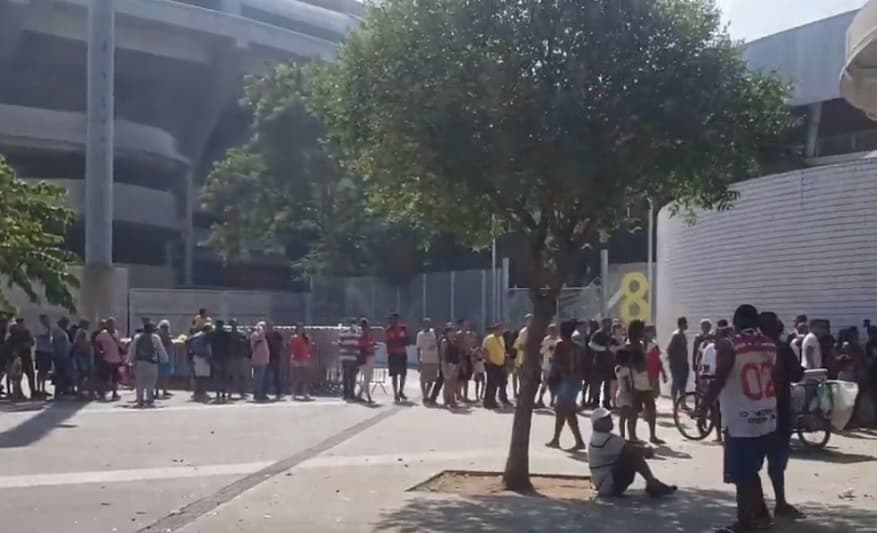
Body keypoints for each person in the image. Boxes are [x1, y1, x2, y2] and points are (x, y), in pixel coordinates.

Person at [700, 304, 778, 533]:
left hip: (740, 419)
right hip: (766, 415)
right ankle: (753, 519)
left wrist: (704, 406)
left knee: (742, 474)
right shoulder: (769, 344)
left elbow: (720, 378)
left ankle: (752, 521)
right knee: (750, 472)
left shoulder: (729, 345)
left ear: (737, 321)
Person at [760, 312, 805, 520]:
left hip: (756, 411)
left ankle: (755, 506)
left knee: (753, 461)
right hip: (779, 410)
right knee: (777, 460)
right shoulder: (783, 349)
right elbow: (797, 374)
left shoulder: (753, 349)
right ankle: (780, 502)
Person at [588, 407, 677, 498]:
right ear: (597, 424)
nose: (610, 421)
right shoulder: (606, 439)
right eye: (606, 419)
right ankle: (653, 484)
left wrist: (641, 447)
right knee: (633, 454)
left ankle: (652, 483)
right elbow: (630, 449)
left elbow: (625, 443)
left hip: (604, 482)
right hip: (608, 485)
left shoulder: (599, 436)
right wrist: (646, 451)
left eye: (609, 418)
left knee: (632, 453)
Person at [546, 320, 586, 450]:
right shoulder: (578, 346)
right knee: (567, 411)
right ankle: (560, 439)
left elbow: (556, 365)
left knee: (563, 410)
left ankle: (564, 440)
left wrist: (551, 379)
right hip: (575, 381)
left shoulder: (561, 345)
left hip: (565, 380)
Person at [131, 322, 167, 408]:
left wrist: (130, 360)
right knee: (151, 381)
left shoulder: (137, 337)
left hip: (140, 362)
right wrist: (164, 359)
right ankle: (149, 398)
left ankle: (140, 400)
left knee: (140, 382)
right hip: (152, 362)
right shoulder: (155, 337)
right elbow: (161, 349)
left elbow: (132, 349)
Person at [641, 324, 666, 444]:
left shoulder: (654, 345)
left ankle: (652, 433)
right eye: (651, 332)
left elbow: (658, 360)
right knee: (650, 406)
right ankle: (650, 434)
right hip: (645, 378)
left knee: (652, 404)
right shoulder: (642, 345)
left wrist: (663, 373)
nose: (653, 333)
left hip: (654, 377)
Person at [588, 318, 617, 409]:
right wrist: (604, 349)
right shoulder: (598, 334)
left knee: (607, 385)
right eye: (606, 323)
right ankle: (595, 402)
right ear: (603, 324)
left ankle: (606, 402)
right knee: (597, 383)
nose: (608, 325)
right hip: (599, 363)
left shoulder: (612, 335)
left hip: (610, 363)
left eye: (610, 323)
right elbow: (591, 344)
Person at [95, 317, 125, 401]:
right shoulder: (103, 333)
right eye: (110, 323)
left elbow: (119, 344)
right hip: (107, 359)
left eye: (112, 323)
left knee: (115, 378)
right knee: (105, 377)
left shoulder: (116, 332)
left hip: (116, 358)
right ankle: (103, 393)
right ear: (107, 325)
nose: (111, 325)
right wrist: (100, 351)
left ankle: (114, 393)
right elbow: (96, 342)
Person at [482, 323, 510, 408]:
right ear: (496, 330)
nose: (502, 331)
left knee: (497, 383)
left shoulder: (501, 338)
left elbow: (502, 350)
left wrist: (505, 358)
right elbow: (485, 351)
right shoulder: (489, 339)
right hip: (491, 364)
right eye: (501, 329)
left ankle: (493, 400)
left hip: (500, 364)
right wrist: (489, 362)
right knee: (491, 383)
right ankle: (488, 402)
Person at [385, 314, 409, 402]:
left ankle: (401, 391)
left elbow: (406, 340)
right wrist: (399, 341)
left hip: (402, 353)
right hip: (393, 354)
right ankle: (395, 393)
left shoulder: (403, 328)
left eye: (395, 319)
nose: (393, 321)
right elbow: (390, 341)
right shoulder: (388, 330)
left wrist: (399, 341)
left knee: (403, 374)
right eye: (391, 319)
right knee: (394, 375)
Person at [667, 316, 689, 405]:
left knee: (683, 383)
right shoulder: (676, 335)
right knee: (676, 382)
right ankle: (674, 402)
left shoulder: (683, 335)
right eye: (685, 323)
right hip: (677, 364)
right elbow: (669, 349)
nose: (687, 325)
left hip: (683, 362)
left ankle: (683, 403)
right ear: (681, 324)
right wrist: (674, 361)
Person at [416, 318, 440, 403]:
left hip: (434, 359)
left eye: (429, 323)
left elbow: (438, 341)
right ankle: (424, 395)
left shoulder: (434, 332)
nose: (427, 325)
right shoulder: (420, 334)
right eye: (425, 323)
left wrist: (435, 345)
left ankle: (427, 393)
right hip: (424, 359)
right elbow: (418, 348)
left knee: (431, 379)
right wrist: (419, 360)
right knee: (423, 379)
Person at [187, 323, 212, 401]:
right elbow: (208, 347)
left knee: (198, 375)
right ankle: (202, 392)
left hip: (196, 356)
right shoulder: (206, 336)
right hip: (204, 356)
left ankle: (197, 392)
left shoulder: (196, 335)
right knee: (204, 376)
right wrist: (209, 357)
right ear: (208, 329)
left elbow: (188, 342)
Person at [536, 323, 558, 408]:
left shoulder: (558, 340)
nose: (553, 333)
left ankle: (552, 400)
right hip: (547, 366)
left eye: (554, 331)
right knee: (545, 383)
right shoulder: (546, 340)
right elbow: (541, 351)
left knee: (554, 385)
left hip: (556, 366)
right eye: (551, 331)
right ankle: (540, 399)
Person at [338, 320, 361, 401]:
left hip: (353, 358)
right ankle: (346, 394)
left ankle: (351, 393)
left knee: (352, 377)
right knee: (347, 377)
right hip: (346, 358)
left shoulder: (358, 334)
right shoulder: (344, 333)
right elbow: (339, 342)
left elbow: (359, 347)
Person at [438, 323, 460, 408]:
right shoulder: (444, 341)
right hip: (447, 363)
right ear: (447, 332)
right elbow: (443, 354)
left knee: (453, 383)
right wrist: (445, 365)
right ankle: (447, 401)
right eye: (452, 331)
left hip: (454, 363)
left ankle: (452, 399)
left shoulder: (454, 340)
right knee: (448, 383)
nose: (454, 332)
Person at [289, 324, 312, 400]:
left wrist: (308, 356)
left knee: (305, 377)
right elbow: (292, 348)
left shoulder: (306, 338)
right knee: (296, 377)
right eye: (299, 328)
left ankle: (305, 393)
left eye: (302, 328)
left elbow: (309, 348)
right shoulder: (293, 338)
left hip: (304, 358)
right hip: (296, 359)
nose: (301, 330)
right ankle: (294, 393)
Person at [229, 320, 251, 400]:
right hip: (233, 357)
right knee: (233, 376)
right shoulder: (229, 334)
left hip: (240, 356)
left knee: (241, 376)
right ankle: (231, 392)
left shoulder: (241, 334)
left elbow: (246, 343)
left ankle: (242, 392)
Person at [210, 320, 231, 402]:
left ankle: (219, 394)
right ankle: (223, 394)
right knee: (224, 376)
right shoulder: (226, 334)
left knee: (218, 377)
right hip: (225, 357)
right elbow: (230, 345)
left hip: (216, 357)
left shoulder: (213, 334)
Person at [71, 319, 93, 399]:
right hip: (82, 356)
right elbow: (80, 343)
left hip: (83, 355)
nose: (88, 325)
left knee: (83, 374)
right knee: (84, 374)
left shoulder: (82, 332)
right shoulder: (81, 332)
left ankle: (82, 392)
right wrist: (87, 351)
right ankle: (81, 393)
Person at [51, 317, 73, 398]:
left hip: (64, 355)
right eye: (64, 323)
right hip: (59, 356)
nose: (66, 325)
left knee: (64, 374)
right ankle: (58, 392)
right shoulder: (57, 332)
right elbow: (56, 344)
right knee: (59, 374)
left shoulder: (63, 332)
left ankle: (64, 390)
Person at [357, 318, 376, 404]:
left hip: (370, 357)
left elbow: (372, 344)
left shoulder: (369, 336)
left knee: (369, 377)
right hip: (365, 358)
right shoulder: (362, 336)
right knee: (366, 378)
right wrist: (372, 348)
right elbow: (363, 348)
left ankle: (360, 394)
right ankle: (368, 396)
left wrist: (374, 346)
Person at [265, 321, 286, 399]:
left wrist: (282, 354)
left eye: (270, 326)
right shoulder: (264, 335)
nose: (269, 328)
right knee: (265, 376)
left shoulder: (277, 335)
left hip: (276, 357)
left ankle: (278, 393)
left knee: (276, 376)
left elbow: (282, 346)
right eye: (268, 326)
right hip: (266, 357)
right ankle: (264, 393)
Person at [511, 315, 531, 398]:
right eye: (529, 320)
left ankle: (523, 394)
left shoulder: (534, 331)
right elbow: (518, 347)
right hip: (520, 360)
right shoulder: (523, 332)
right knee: (520, 378)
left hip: (529, 360)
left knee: (527, 379)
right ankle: (518, 393)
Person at [35, 314, 54, 398]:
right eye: (46, 319)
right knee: (40, 371)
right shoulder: (39, 327)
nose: (47, 321)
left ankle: (43, 389)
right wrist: (48, 328)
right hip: (41, 351)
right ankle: (38, 389)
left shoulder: (49, 328)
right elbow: (42, 334)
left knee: (46, 371)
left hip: (47, 351)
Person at [250, 322, 270, 401]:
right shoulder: (255, 335)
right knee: (258, 378)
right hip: (258, 359)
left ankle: (260, 392)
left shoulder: (263, 336)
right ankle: (258, 393)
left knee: (261, 378)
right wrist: (260, 329)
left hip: (264, 359)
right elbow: (259, 338)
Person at [156, 320, 175, 399]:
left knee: (165, 375)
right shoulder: (158, 336)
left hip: (167, 356)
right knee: (158, 374)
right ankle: (157, 391)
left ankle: (164, 390)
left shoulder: (164, 335)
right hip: (161, 356)